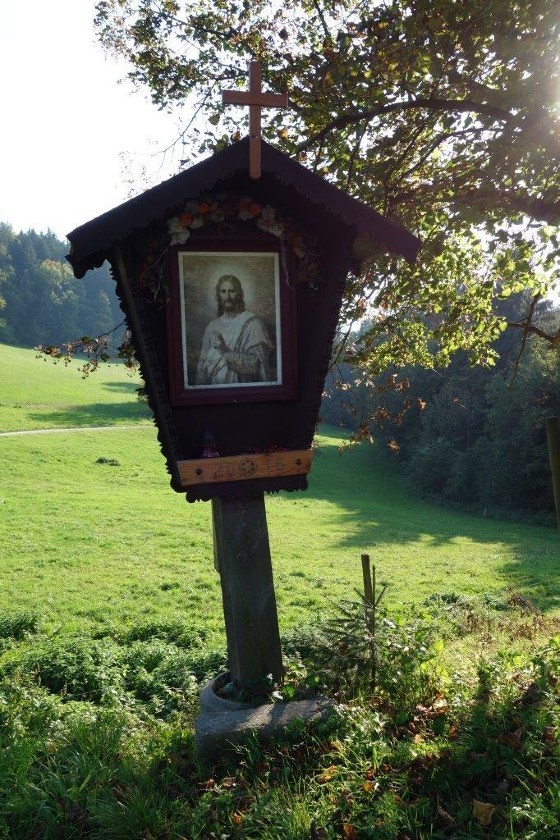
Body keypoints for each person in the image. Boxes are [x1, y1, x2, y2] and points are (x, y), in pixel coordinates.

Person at [196, 274, 273, 385]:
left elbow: (255, 366)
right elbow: (202, 367)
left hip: (243, 390)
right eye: (223, 291)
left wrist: (225, 351)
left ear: (239, 294)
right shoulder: (212, 327)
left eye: (232, 291)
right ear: (218, 295)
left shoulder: (253, 324)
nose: (227, 296)